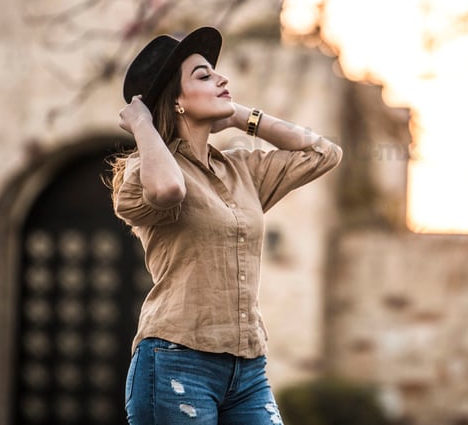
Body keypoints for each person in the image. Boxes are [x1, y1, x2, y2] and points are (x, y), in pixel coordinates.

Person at [109, 26, 342, 425]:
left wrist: (240, 116)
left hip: (248, 370)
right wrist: (144, 124)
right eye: (203, 75)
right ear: (177, 101)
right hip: (175, 362)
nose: (222, 79)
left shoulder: (241, 169)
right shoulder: (144, 171)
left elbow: (324, 153)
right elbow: (168, 190)